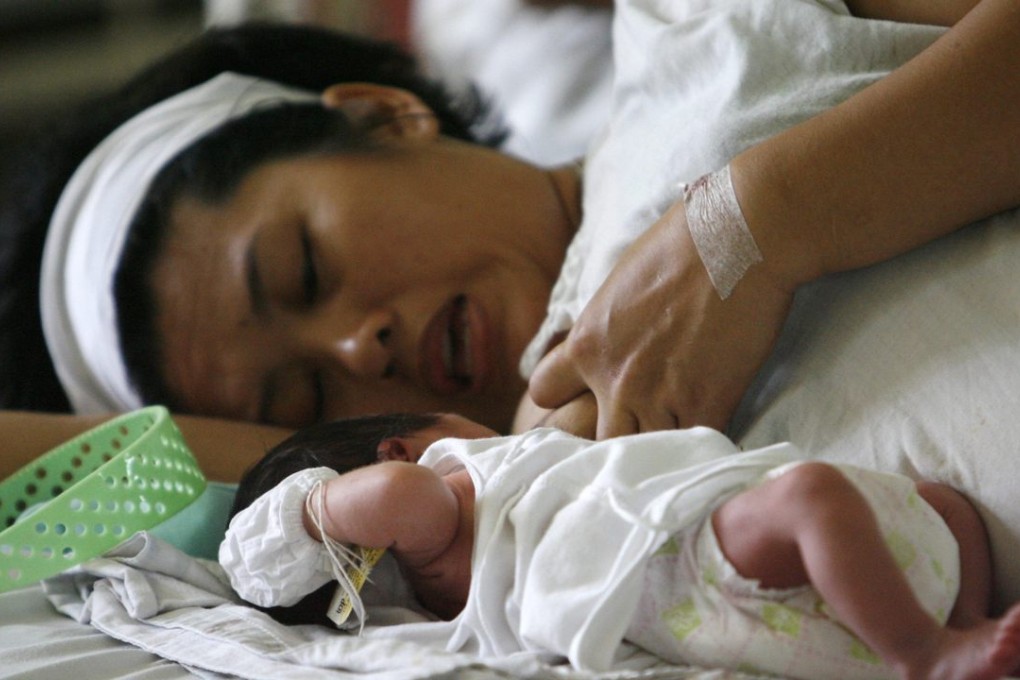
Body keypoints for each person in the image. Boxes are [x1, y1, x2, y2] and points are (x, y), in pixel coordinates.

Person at [4, 0, 1020, 595]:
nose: (358, 348)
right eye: (302, 398)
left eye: (305, 270)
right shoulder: (538, 521)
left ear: (383, 114)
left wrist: (756, 226)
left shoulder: (710, 37)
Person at [221, 412, 1020, 680]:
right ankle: (928, 651)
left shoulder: (449, 586)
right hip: (683, 562)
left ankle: (964, 631)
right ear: (397, 451)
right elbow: (400, 498)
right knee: (811, 495)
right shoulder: (442, 503)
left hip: (740, 597)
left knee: (938, 505)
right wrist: (309, 513)